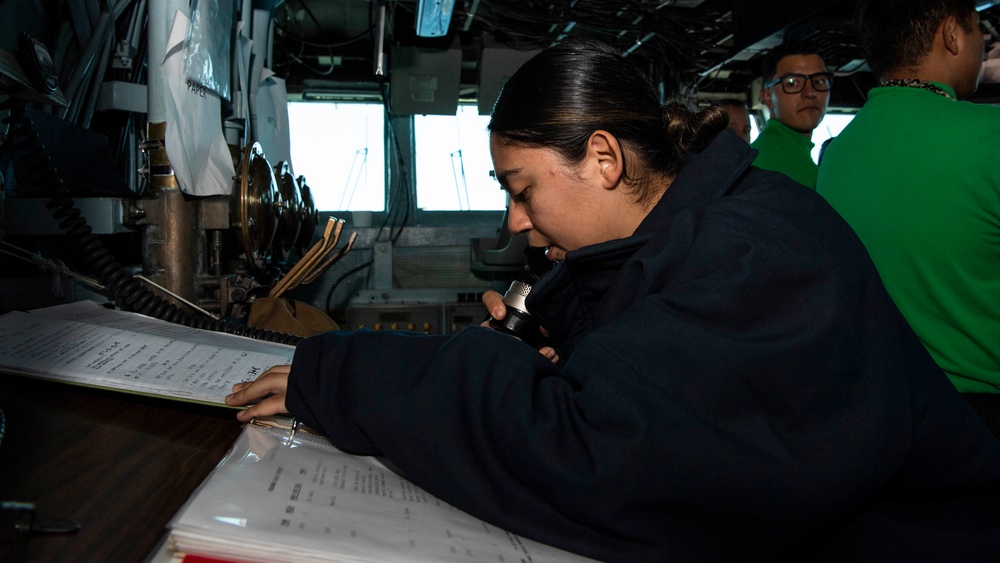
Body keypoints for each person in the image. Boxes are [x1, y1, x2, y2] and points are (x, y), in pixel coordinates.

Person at [228, 39, 1000, 562]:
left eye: (523, 190)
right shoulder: (679, 238)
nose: (517, 225)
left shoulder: (755, 252)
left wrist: (344, 378)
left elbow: (597, 458)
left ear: (602, 158)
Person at [817, 0, 1000, 434]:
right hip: (982, 421)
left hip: (880, 417)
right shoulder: (990, 136)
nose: (983, 42)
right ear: (952, 34)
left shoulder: (837, 153)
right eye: (978, 30)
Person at [751, 39, 832, 188]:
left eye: (819, 81)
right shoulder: (779, 166)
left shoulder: (763, 152)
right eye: (792, 83)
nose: (810, 92)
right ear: (767, 97)